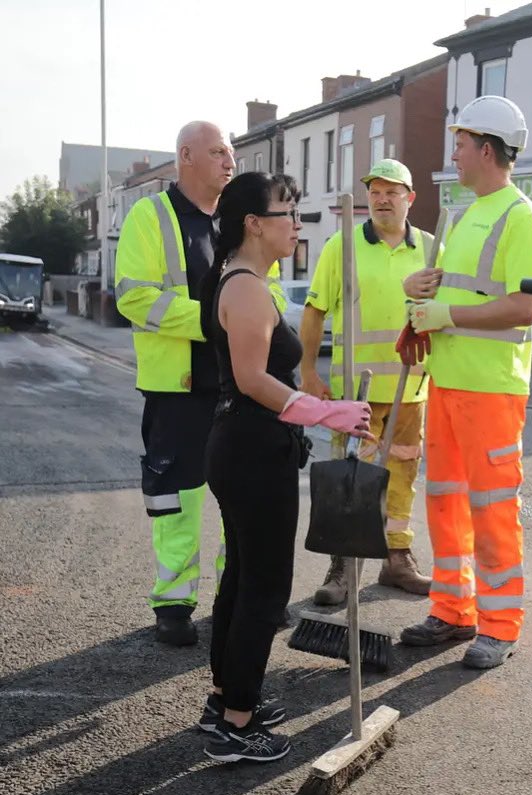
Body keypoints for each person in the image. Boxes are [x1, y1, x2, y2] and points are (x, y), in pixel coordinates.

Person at [197, 171, 371, 762]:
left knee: (244, 578)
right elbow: (253, 381)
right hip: (251, 448)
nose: (297, 224)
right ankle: (236, 727)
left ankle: (226, 699)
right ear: (253, 222)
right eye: (287, 213)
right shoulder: (244, 287)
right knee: (265, 586)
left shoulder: (244, 280)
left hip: (245, 446)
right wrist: (330, 413)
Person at [115, 122, 286, 646]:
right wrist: (217, 318)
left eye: (231, 153)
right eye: (217, 153)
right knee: (178, 499)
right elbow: (134, 297)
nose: (229, 162)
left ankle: (233, 596)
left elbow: (267, 288)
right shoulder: (150, 216)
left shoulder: (239, 221)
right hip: (178, 387)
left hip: (238, 385)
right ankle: (174, 603)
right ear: (186, 156)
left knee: (241, 496)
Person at [397, 96, 532, 669]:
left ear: (487, 149)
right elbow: (455, 289)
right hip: (449, 382)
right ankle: (453, 610)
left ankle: (500, 625)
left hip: (491, 390)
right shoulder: (463, 214)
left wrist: (448, 317)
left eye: (460, 144)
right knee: (446, 505)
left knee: (491, 510)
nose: (453, 154)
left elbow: (524, 306)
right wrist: (421, 288)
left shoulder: (520, 216)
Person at [300, 158, 434, 604]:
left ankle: (397, 558)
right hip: (352, 393)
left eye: (391, 191)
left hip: (410, 390)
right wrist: (307, 370)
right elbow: (315, 310)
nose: (381, 199)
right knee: (350, 480)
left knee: (401, 476)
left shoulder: (432, 250)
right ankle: (342, 566)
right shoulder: (343, 246)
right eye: (374, 191)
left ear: (409, 198)